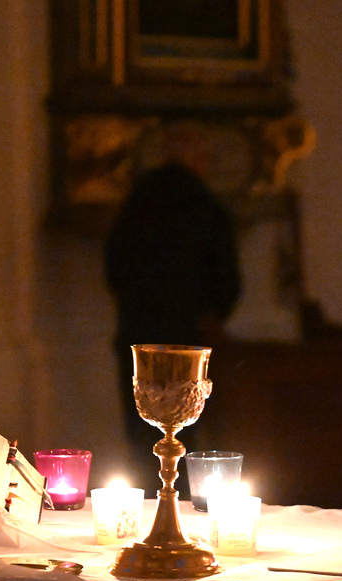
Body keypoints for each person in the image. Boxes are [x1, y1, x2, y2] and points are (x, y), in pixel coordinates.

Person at [104, 122, 241, 462]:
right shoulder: (206, 206)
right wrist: (211, 315)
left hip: (139, 331)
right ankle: (177, 488)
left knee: (141, 429)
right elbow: (226, 276)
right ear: (197, 160)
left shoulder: (138, 202)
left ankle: (145, 488)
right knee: (186, 428)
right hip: (190, 335)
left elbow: (115, 263)